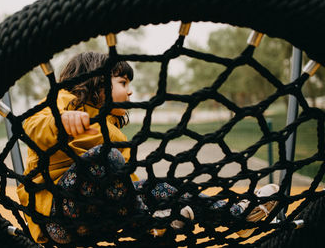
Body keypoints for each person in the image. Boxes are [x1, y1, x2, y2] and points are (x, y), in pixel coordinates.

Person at [17, 52, 279, 244]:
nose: (130, 92)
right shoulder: (64, 102)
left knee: (163, 188)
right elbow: (32, 125)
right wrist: (61, 121)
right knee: (105, 158)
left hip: (98, 218)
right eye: (123, 83)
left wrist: (157, 199)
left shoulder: (113, 131)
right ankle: (151, 223)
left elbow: (124, 188)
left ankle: (238, 216)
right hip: (58, 218)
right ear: (96, 82)